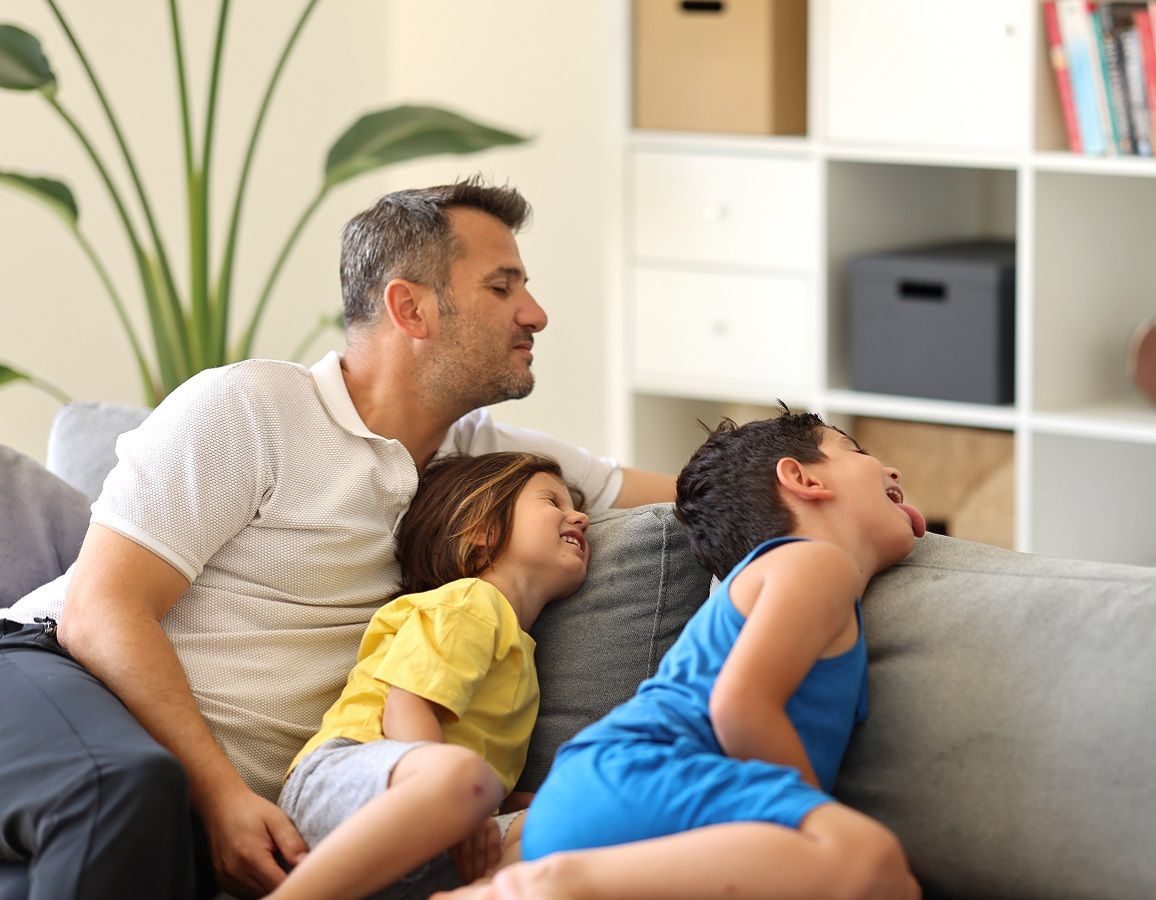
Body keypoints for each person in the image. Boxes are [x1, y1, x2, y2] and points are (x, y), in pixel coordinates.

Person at [0, 178, 675, 900]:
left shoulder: (489, 467)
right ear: (409, 307)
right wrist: (223, 797)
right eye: (502, 287)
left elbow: (687, 493)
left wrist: (801, 470)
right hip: (49, 674)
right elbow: (100, 613)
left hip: (197, 805)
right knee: (126, 788)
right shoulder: (254, 406)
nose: (534, 314)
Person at [446, 408, 927, 900]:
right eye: (859, 452)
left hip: (594, 805)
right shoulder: (815, 561)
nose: (892, 470)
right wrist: (801, 821)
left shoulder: (789, 582)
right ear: (801, 477)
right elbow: (739, 704)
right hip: (647, 772)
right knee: (870, 861)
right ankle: (549, 885)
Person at [270, 451, 588, 900]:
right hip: (349, 778)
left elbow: (490, 787)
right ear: (481, 529)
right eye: (553, 502)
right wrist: (466, 802)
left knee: (568, 816)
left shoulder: (521, 649)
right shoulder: (470, 602)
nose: (580, 517)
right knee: (464, 777)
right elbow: (407, 706)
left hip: (432, 829)